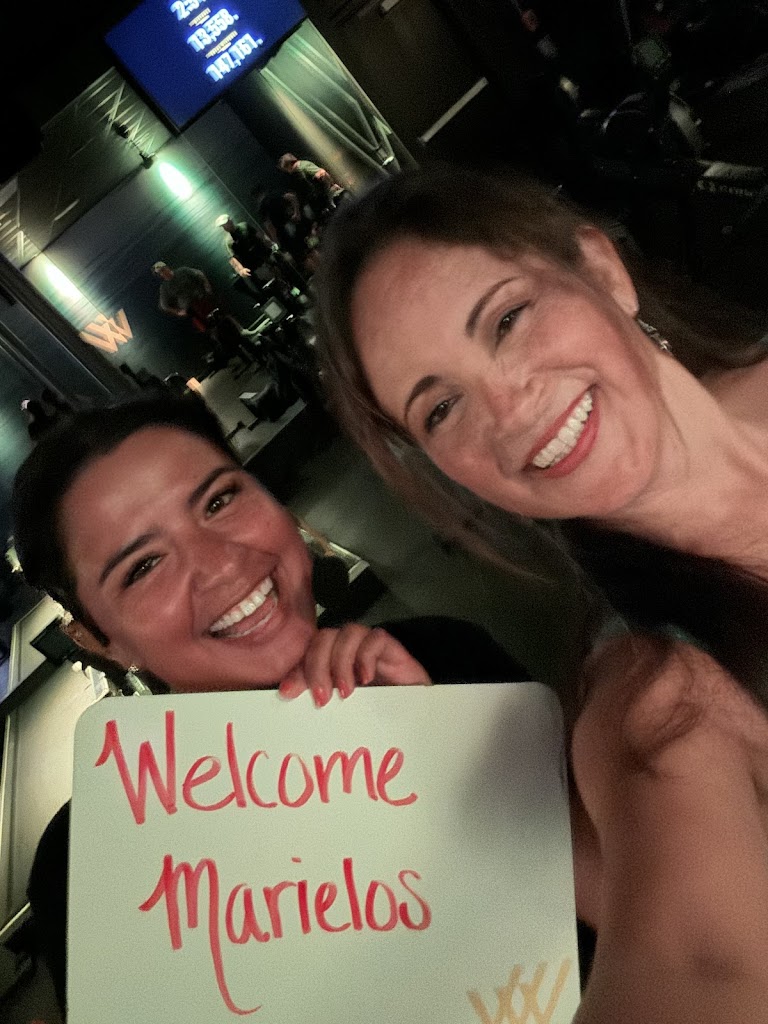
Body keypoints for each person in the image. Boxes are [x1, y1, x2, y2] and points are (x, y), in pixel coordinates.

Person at [314, 164, 768, 1021]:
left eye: (507, 320)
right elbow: (698, 966)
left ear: (602, 270)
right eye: (440, 408)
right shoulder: (657, 701)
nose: (508, 407)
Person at [12, 394, 527, 1014]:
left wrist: (440, 749)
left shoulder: (447, 661)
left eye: (219, 500)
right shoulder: (86, 862)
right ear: (99, 641)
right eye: (143, 566)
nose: (221, 563)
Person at [278, 152, 342, 221]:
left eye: (285, 169)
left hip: (334, 197)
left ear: (289, 165)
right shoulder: (300, 169)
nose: (287, 172)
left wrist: (330, 188)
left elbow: (322, 173)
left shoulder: (303, 166)